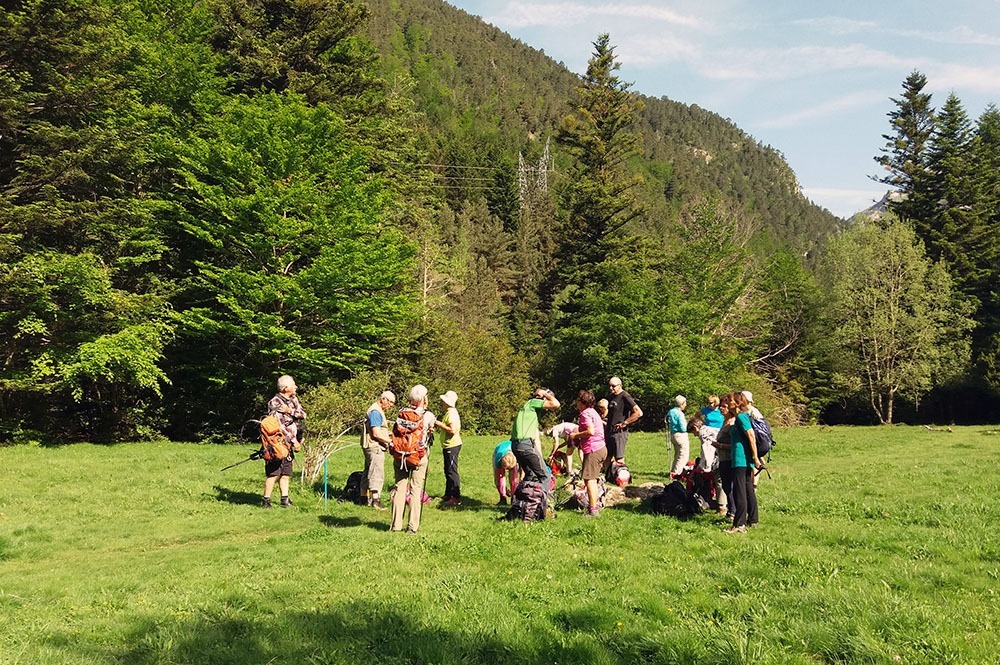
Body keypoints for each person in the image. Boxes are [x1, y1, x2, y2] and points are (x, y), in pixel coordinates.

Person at [390, 385, 436, 533]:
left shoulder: (401, 412)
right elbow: (430, 429)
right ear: (423, 399)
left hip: (400, 455)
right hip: (418, 456)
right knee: (416, 490)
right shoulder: (428, 415)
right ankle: (412, 527)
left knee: (399, 488)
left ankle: (395, 526)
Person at [263, 375, 305, 508]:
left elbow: (303, 414)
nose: (296, 387)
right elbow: (279, 427)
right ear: (285, 388)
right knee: (273, 473)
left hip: (289, 444)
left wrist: (289, 411)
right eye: (293, 385)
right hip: (276, 444)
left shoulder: (293, 399)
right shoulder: (274, 402)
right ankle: (266, 501)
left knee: (286, 473)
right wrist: (293, 441)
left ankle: (284, 500)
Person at [725, 391, 762, 533]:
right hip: (741, 460)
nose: (727, 403)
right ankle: (753, 520)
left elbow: (751, 436)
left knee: (739, 491)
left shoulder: (741, 417)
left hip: (741, 460)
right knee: (747, 490)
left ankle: (739, 525)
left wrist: (755, 457)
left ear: (737, 402)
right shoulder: (738, 417)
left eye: (729, 400)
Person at [568, 389, 607, 518]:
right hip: (601, 448)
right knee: (592, 479)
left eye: (577, 401)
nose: (576, 403)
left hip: (593, 450)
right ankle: (595, 506)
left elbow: (590, 431)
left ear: (581, 402)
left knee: (590, 480)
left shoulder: (585, 414)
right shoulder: (593, 412)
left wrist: (575, 435)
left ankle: (593, 510)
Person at [510, 388, 560, 484]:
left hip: (517, 446)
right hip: (525, 445)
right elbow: (556, 404)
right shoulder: (533, 402)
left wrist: (540, 458)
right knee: (545, 476)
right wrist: (545, 393)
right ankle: (542, 499)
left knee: (530, 475)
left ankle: (520, 498)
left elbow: (536, 438)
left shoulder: (531, 412)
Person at [361, 390, 395, 510]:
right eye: (390, 402)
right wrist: (389, 442)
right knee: (377, 472)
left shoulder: (375, 409)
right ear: (383, 399)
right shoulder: (375, 412)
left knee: (367, 471)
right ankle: (376, 501)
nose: (390, 405)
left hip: (369, 445)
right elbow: (375, 433)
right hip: (375, 447)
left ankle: (363, 498)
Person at [605, 377, 642, 465]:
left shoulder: (625, 396)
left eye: (613, 386)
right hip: (609, 431)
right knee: (607, 457)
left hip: (619, 433)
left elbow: (638, 412)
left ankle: (621, 477)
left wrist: (625, 423)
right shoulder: (611, 397)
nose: (611, 388)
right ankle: (608, 476)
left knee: (619, 459)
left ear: (620, 386)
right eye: (610, 386)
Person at [435, 390, 463, 506]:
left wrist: (438, 424)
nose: (442, 403)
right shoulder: (449, 412)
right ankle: (448, 494)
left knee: (452, 471)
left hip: (452, 445)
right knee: (447, 470)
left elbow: (452, 430)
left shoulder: (451, 414)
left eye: (443, 401)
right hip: (447, 445)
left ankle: (456, 497)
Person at [666, 395, 689, 478]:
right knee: (683, 455)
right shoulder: (680, 413)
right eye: (685, 403)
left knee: (677, 454)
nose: (685, 405)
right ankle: (677, 473)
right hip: (680, 435)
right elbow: (683, 427)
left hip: (673, 434)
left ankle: (673, 471)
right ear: (681, 404)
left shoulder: (671, 411)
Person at [492, 440, 519, 505]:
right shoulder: (498, 460)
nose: (507, 470)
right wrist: (505, 490)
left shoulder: (517, 455)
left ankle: (514, 498)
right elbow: (497, 478)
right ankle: (503, 498)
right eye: (506, 468)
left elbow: (522, 470)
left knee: (514, 479)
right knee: (500, 479)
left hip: (513, 451)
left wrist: (521, 477)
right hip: (499, 451)